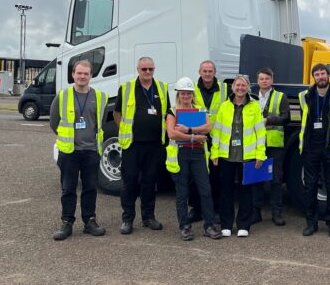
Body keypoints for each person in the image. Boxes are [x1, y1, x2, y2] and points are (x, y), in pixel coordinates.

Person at [50, 60, 109, 241]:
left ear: (91, 76)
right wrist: (66, 138)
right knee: (68, 188)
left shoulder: (100, 97)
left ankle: (89, 221)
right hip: (70, 151)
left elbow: (101, 122)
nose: (82, 76)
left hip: (91, 150)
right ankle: (67, 222)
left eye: (86, 73)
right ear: (73, 75)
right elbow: (54, 122)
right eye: (79, 73)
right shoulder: (63, 96)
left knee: (90, 188)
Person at [113, 57, 170, 235]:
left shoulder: (162, 88)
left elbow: (168, 113)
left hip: (154, 145)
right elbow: (117, 113)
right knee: (130, 182)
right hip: (132, 145)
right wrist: (124, 129)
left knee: (150, 182)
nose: (147, 72)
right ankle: (127, 219)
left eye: (150, 69)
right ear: (138, 69)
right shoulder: (126, 88)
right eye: (144, 69)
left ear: (154, 70)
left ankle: (148, 217)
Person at [165, 77, 222, 241]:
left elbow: (208, 127)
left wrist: (189, 129)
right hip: (180, 154)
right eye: (183, 93)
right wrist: (194, 137)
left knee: (205, 190)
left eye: (189, 93)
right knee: (182, 192)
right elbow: (172, 133)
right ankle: (184, 227)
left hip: (198, 154)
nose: (186, 96)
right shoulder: (172, 111)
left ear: (193, 95)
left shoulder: (200, 110)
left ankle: (209, 225)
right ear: (178, 94)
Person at [211, 74, 266, 237]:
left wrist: (260, 154)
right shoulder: (224, 106)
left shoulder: (255, 107)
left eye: (243, 85)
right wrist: (214, 152)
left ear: (248, 88)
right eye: (238, 85)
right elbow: (217, 131)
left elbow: (260, 132)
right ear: (233, 87)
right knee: (226, 190)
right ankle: (226, 224)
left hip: (247, 155)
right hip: (227, 155)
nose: (240, 88)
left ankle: (244, 225)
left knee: (246, 191)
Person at [299, 63, 330, 238]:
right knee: (310, 186)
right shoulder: (305, 96)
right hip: (311, 147)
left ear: (328, 75)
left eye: (323, 73)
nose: (320, 77)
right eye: (317, 74)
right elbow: (305, 119)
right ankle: (311, 223)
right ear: (313, 77)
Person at [187, 60, 227, 224]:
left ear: (215, 73)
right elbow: (186, 109)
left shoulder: (225, 89)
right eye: (205, 71)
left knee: (216, 175)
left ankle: (215, 209)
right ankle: (196, 209)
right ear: (200, 72)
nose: (208, 74)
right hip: (197, 137)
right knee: (194, 175)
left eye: (210, 71)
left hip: (217, 138)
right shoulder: (192, 89)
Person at [252, 67, 291, 226]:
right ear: (257, 81)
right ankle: (256, 213)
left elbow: (286, 118)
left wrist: (268, 120)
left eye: (267, 78)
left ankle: (276, 213)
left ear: (272, 80)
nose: (264, 81)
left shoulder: (281, 97)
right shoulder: (251, 97)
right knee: (256, 178)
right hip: (255, 144)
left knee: (275, 179)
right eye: (261, 79)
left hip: (274, 144)